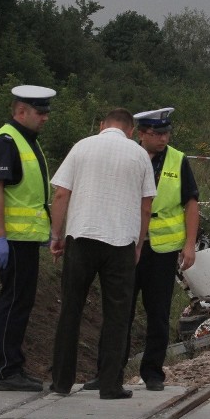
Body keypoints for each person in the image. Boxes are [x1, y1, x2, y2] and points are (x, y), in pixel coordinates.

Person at [83, 107, 199, 393]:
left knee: (157, 313)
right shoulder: (126, 155)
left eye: (166, 133)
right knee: (118, 311)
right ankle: (108, 372)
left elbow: (191, 203)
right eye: (157, 134)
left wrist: (189, 245)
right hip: (124, 245)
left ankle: (153, 372)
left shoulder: (178, 160)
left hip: (161, 250)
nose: (163, 139)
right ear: (142, 134)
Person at [48, 108, 156, 400]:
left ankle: (61, 382)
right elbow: (146, 206)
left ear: (101, 126)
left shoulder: (82, 147)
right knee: (117, 316)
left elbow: (61, 194)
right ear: (131, 130)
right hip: (120, 243)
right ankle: (109, 385)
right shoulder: (139, 156)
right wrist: (138, 244)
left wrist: (56, 235)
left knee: (71, 309)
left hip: (81, 238)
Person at [0, 85, 56, 392]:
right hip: (12, 240)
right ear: (21, 111)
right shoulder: (6, 140)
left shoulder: (27, 140)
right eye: (40, 113)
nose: (45, 119)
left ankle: (12, 365)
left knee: (20, 302)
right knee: (13, 302)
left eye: (46, 113)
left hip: (23, 239)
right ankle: (4, 370)